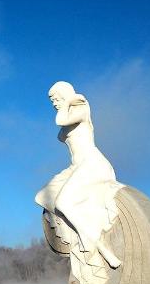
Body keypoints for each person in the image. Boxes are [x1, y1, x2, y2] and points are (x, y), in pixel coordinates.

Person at [35, 81, 122, 268]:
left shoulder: (80, 108)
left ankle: (100, 246)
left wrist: (68, 101)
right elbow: (62, 128)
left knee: (63, 203)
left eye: (57, 99)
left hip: (91, 162)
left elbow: (60, 121)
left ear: (65, 95)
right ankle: (75, 233)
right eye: (52, 101)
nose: (55, 103)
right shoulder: (69, 111)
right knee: (42, 196)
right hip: (75, 166)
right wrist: (64, 103)